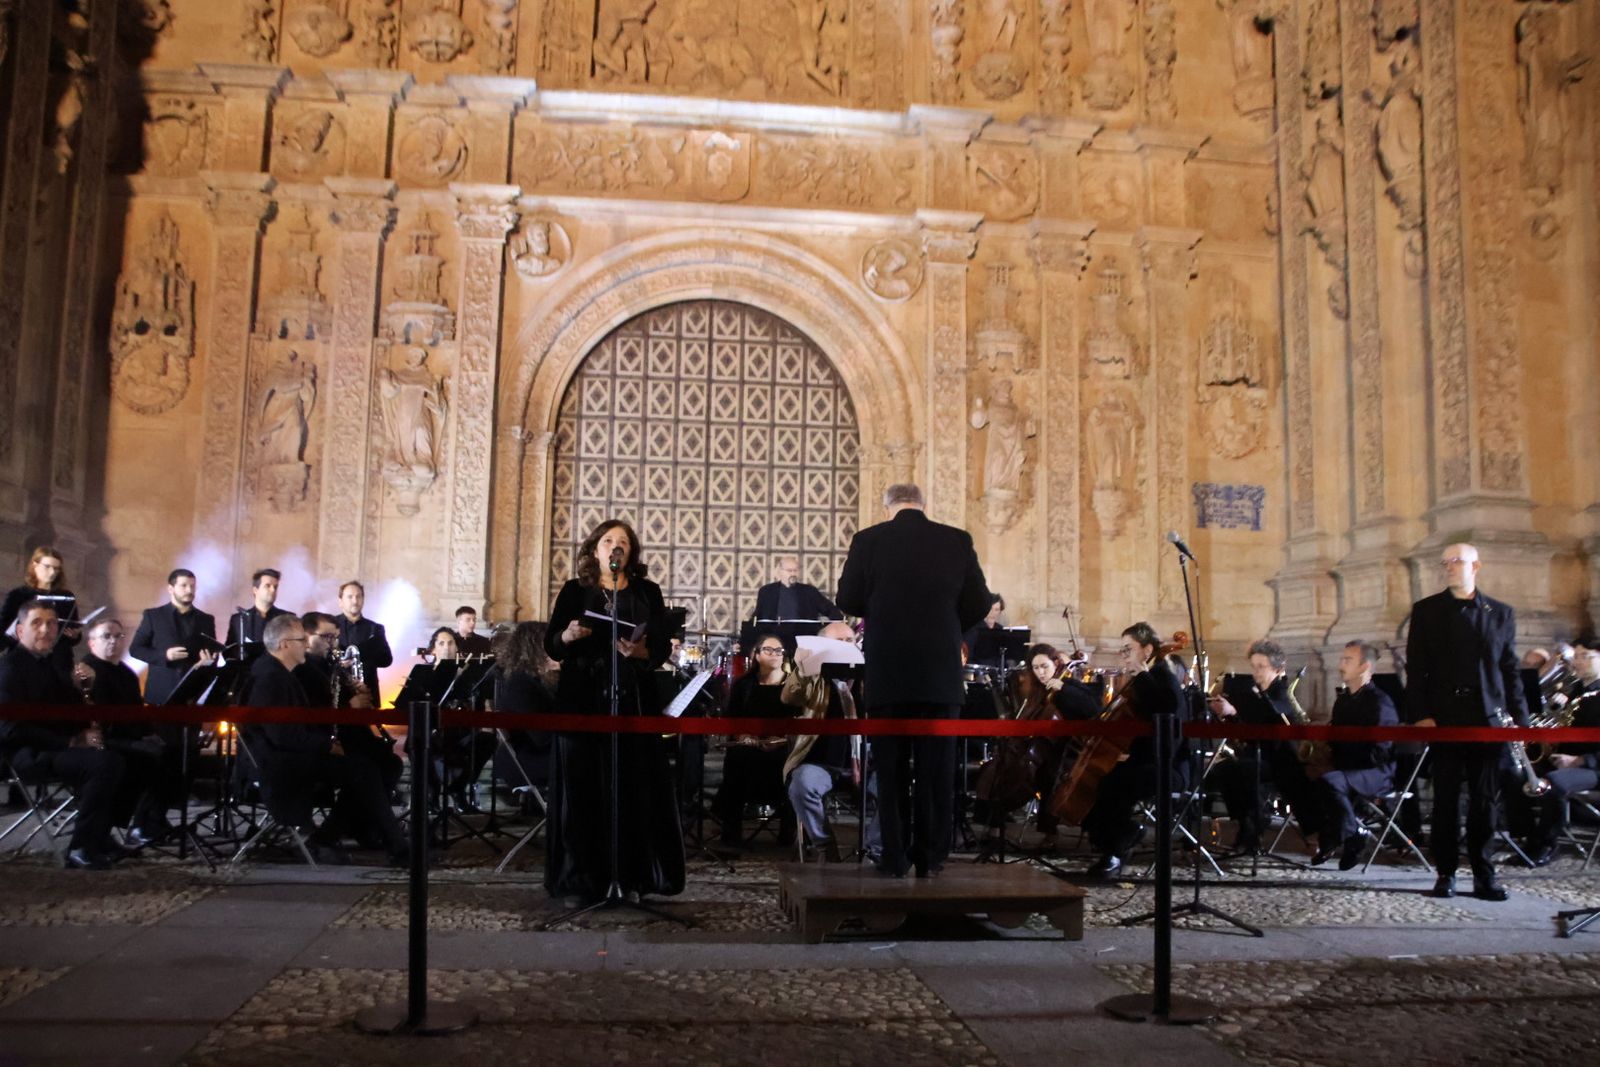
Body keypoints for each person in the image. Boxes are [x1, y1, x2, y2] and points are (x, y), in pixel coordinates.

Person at [836, 482, 992, 878]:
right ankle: (931, 857)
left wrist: (884, 607)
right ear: (923, 505)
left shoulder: (868, 540)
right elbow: (980, 602)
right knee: (936, 771)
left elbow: (847, 599)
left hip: (888, 672)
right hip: (940, 674)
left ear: (887, 506)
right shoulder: (956, 540)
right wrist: (945, 623)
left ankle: (894, 857)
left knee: (890, 772)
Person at [543, 518, 684, 903]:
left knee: (633, 786)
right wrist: (568, 635)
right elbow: (551, 643)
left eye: (623, 541)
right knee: (584, 787)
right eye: (607, 540)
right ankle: (582, 881)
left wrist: (643, 650)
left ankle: (633, 878)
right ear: (595, 550)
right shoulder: (575, 590)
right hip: (583, 695)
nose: (615, 546)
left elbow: (660, 645)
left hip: (632, 694)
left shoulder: (647, 591)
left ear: (631, 552)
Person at [1405, 542, 1526, 901]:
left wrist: (1520, 721)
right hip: (1444, 718)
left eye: (1457, 561)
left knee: (1484, 801)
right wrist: (1421, 714)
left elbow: (1509, 670)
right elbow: (1417, 668)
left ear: (1476, 566)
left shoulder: (1500, 613)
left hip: (1487, 719)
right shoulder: (1426, 611)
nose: (1450, 567)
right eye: (1446, 563)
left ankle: (1484, 875)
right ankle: (1446, 873)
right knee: (1445, 800)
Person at [241, 614, 407, 865]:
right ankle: (396, 847)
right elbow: (282, 735)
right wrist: (327, 745)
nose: (306, 645)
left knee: (367, 767)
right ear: (285, 644)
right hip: (280, 762)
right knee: (362, 769)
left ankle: (335, 837)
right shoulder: (271, 677)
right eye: (301, 640)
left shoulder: (280, 672)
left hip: (292, 754)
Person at [0, 600, 126, 868]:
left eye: (52, 624)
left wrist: (84, 688)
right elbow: (10, 728)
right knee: (104, 764)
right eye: (37, 623)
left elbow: (70, 711)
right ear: (20, 631)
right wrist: (70, 741)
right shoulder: (8, 668)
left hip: (55, 747)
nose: (46, 629)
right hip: (25, 754)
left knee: (134, 758)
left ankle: (101, 835)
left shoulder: (49, 664)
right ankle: (82, 847)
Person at [1082, 622, 1190, 878]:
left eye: (1128, 649)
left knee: (1116, 783)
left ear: (1147, 650)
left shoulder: (1163, 677)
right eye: (1123, 650)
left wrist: (1142, 676)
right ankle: (1111, 843)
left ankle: (1120, 842)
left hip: (1169, 767)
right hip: (1147, 760)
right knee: (1105, 779)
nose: (1124, 656)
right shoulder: (1147, 678)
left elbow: (1166, 714)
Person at [975, 643, 1100, 849]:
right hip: (1041, 748)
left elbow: (1093, 708)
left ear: (1056, 664)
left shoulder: (1069, 685)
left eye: (1044, 666)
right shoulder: (1036, 691)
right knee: (996, 769)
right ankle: (993, 826)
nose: (1041, 672)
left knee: (1048, 776)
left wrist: (1064, 689)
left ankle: (1050, 833)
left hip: (1067, 749)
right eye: (1035, 668)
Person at [1207, 639, 1319, 855]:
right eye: (1254, 666)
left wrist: (1235, 713)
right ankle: (1247, 824)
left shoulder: (1280, 694)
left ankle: (1253, 826)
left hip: (1281, 763)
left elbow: (1271, 724)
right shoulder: (1256, 694)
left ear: (1277, 669)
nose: (1256, 672)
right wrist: (1230, 716)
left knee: (1239, 771)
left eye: (1261, 667)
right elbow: (1249, 730)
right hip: (1259, 757)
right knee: (1224, 770)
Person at [782, 620, 877, 862]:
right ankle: (824, 846)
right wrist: (803, 668)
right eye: (839, 642)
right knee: (802, 785)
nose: (846, 646)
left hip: (868, 761)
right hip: (821, 760)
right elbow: (789, 696)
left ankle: (875, 849)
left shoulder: (870, 675)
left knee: (896, 786)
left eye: (850, 641)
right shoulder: (814, 677)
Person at [81, 618, 180, 845]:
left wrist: (149, 733)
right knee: (152, 756)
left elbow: (137, 711)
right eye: (106, 636)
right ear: (91, 642)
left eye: (118, 636)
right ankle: (138, 825)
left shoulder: (126, 673)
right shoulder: (86, 672)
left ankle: (150, 820)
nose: (113, 641)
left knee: (175, 752)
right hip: (104, 740)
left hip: (127, 735)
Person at [298, 611, 402, 821]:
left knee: (390, 763)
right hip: (320, 744)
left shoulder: (330, 666)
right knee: (367, 769)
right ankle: (357, 826)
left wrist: (357, 692)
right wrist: (350, 704)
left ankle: (360, 824)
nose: (333, 644)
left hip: (345, 735)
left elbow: (339, 698)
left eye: (336, 638)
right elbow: (313, 709)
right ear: (307, 637)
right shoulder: (303, 669)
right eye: (327, 637)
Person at [1311, 641, 1399, 870]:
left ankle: (1353, 834)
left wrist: (1344, 757)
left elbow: (1381, 750)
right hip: (1348, 768)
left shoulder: (1380, 702)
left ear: (1364, 666)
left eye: (1348, 660)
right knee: (1307, 777)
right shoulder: (1343, 701)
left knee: (1331, 781)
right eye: (1342, 659)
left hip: (1375, 772)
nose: (1341, 664)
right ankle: (1335, 836)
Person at [713, 631, 798, 848]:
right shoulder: (743, 685)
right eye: (768, 650)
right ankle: (731, 835)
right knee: (737, 762)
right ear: (757, 655)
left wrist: (781, 740)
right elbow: (733, 719)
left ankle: (788, 835)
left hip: (782, 748)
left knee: (792, 767)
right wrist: (743, 736)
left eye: (778, 650)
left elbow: (799, 722)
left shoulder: (794, 685)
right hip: (748, 746)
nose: (774, 654)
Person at [1527, 636, 1600, 866]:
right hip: (1564, 760)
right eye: (1575, 656)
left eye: (1585, 656)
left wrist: (1579, 760)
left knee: (1554, 783)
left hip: (1593, 766)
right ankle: (1524, 835)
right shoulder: (1575, 690)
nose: (1577, 662)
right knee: (1515, 772)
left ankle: (1547, 844)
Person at [129, 568, 218, 706]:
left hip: (193, 695)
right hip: (160, 695)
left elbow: (212, 654)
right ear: (170, 589)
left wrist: (207, 662)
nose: (189, 590)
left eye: (192, 586)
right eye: (184, 585)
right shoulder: (153, 616)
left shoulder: (206, 619)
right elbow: (135, 649)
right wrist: (164, 655)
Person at [490, 621, 555, 808]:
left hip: (537, 752)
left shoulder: (533, 680)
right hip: (526, 758)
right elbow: (542, 736)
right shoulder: (520, 683)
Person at [1, 546, 82, 672]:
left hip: (58, 662)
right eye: (47, 566)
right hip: (24, 659)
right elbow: (4, 628)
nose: (52, 572)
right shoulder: (19, 595)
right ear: (35, 565)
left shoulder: (67, 596)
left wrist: (75, 636)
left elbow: (73, 630)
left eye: (56, 568)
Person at [750, 557, 843, 650]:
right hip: (774, 639)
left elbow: (831, 610)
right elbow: (757, 616)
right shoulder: (767, 591)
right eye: (789, 571)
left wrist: (836, 627)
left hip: (803, 639)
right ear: (780, 571)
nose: (793, 574)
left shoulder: (809, 591)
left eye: (795, 570)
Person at [334, 580, 393, 706]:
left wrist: (361, 655)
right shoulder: (331, 625)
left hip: (368, 692)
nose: (355, 601)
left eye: (358, 596)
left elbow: (386, 660)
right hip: (340, 694)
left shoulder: (375, 628)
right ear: (340, 601)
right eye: (350, 597)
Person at [227, 568, 291, 654]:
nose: (273, 590)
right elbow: (229, 651)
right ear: (255, 590)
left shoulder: (288, 618)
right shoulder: (239, 619)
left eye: (275, 587)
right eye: (268, 586)